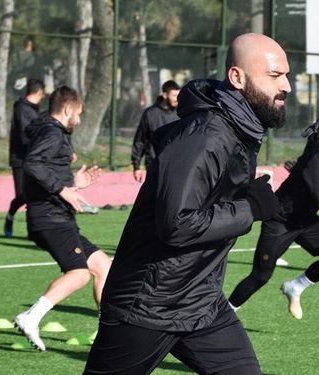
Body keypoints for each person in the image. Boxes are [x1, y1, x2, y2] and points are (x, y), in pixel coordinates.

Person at [83, 33, 291, 374]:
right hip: (149, 304)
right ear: (237, 77)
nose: (286, 86)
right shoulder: (204, 136)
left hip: (200, 302)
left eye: (285, 75)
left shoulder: (239, 131)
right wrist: (249, 208)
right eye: (274, 76)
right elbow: (176, 224)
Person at [228, 108, 319, 320]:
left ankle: (295, 287)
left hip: (305, 220)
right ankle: (225, 314)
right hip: (281, 220)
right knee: (261, 275)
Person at [13, 86, 112, 352]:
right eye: (78, 114)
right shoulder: (51, 133)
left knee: (105, 267)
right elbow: (33, 165)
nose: (79, 120)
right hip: (50, 218)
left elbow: (46, 169)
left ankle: (108, 334)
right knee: (79, 274)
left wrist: (73, 182)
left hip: (56, 216)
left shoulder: (49, 132)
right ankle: (30, 317)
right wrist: (63, 189)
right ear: (68, 110)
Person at [4, 78, 45, 237]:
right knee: (23, 195)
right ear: (39, 93)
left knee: (33, 196)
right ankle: (10, 215)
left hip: (33, 160)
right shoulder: (22, 109)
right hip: (20, 160)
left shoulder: (35, 111)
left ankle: (32, 231)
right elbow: (25, 137)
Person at [131, 80, 181, 182]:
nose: (177, 99)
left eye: (179, 96)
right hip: (154, 165)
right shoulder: (150, 114)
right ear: (164, 95)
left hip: (176, 165)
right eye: (174, 96)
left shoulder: (181, 114)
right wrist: (136, 166)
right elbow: (140, 140)